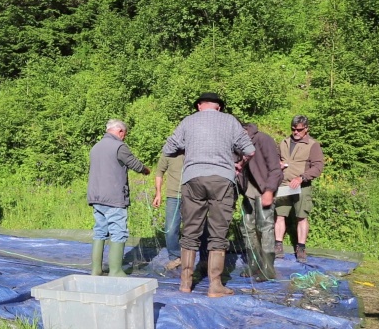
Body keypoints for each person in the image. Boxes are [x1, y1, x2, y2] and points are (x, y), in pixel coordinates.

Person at [162, 92, 255, 297]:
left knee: (190, 230)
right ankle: (215, 285)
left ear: (199, 106)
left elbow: (168, 148)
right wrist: (238, 165)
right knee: (218, 232)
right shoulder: (230, 121)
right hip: (222, 179)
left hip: (192, 179)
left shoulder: (188, 121)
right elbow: (250, 150)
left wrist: (190, 151)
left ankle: (185, 283)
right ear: (219, 107)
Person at [87, 119, 151, 277]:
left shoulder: (96, 147)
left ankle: (96, 269)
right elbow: (134, 163)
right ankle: (115, 271)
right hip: (113, 197)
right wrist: (145, 170)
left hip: (96, 196)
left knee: (99, 231)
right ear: (120, 131)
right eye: (125, 134)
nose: (125, 137)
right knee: (118, 232)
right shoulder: (119, 147)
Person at [274, 115, 324, 263]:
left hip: (302, 185)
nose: (295, 132)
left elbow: (318, 167)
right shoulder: (283, 142)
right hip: (283, 184)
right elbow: (275, 158)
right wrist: (278, 164)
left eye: (299, 130)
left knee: (301, 216)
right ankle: (278, 246)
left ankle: (301, 247)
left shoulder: (313, 144)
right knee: (279, 215)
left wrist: (302, 178)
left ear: (306, 128)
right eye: (293, 129)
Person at [237, 123, 283, 281]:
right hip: (248, 191)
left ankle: (268, 268)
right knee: (247, 227)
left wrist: (269, 191)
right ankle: (254, 263)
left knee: (265, 226)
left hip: (264, 189)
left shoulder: (263, 139)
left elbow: (276, 169)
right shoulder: (237, 142)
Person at [153, 153, 210, 272]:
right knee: (170, 229)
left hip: (194, 195)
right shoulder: (168, 153)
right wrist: (158, 193)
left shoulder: (194, 150)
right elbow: (159, 172)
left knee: (201, 226)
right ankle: (175, 257)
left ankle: (205, 259)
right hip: (173, 197)